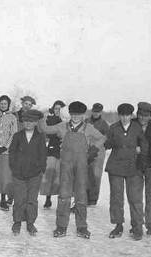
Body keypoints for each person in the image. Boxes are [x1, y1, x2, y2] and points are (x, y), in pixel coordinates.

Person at [38, 101, 105, 239]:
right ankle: (61, 226)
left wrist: (93, 150)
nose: (75, 117)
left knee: (81, 196)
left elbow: (102, 138)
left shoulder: (88, 128)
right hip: (66, 166)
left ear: (83, 115)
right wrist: (41, 117)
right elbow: (45, 129)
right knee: (64, 195)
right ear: (70, 114)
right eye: (73, 114)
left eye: (78, 115)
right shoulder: (62, 126)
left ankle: (82, 227)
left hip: (81, 166)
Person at [105, 103, 149, 240]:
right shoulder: (113, 128)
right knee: (116, 198)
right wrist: (109, 141)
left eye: (127, 115)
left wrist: (142, 156)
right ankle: (118, 225)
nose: (125, 118)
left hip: (133, 167)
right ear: (119, 115)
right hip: (116, 167)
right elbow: (107, 144)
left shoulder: (137, 128)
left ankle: (137, 227)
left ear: (131, 115)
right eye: (122, 115)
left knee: (135, 199)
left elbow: (144, 144)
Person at [9, 109, 47, 236]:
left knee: (32, 200)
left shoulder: (40, 137)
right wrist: (14, 168)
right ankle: (17, 222)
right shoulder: (17, 136)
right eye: (26, 121)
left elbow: (43, 154)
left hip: (35, 174)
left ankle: (30, 223)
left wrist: (41, 169)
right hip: (18, 174)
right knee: (19, 199)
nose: (28, 124)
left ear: (36, 122)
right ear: (23, 122)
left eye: (31, 121)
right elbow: (12, 153)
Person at [133, 102, 151, 235]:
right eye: (140, 115)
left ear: (150, 116)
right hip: (135, 165)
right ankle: (137, 225)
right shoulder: (132, 124)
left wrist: (142, 150)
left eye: (145, 116)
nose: (142, 118)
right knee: (135, 196)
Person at [41, 100, 66, 209]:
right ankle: (48, 198)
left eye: (60, 109)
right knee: (50, 173)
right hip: (52, 148)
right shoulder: (50, 119)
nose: (58, 111)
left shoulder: (67, 121)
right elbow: (47, 132)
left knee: (62, 176)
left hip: (64, 150)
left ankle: (63, 199)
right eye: (56, 108)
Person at [0, 95, 18, 211]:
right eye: (1, 103)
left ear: (8, 105)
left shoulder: (12, 117)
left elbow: (14, 134)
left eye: (5, 103)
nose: (3, 105)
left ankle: (3, 199)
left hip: (6, 151)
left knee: (5, 176)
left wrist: (5, 147)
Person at [85, 103, 110, 206]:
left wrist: (100, 147)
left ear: (101, 112)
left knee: (96, 175)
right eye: (94, 111)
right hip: (86, 150)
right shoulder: (86, 121)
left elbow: (107, 139)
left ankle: (93, 198)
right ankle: (85, 196)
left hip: (98, 152)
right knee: (86, 174)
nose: (96, 113)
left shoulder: (104, 124)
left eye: (98, 112)